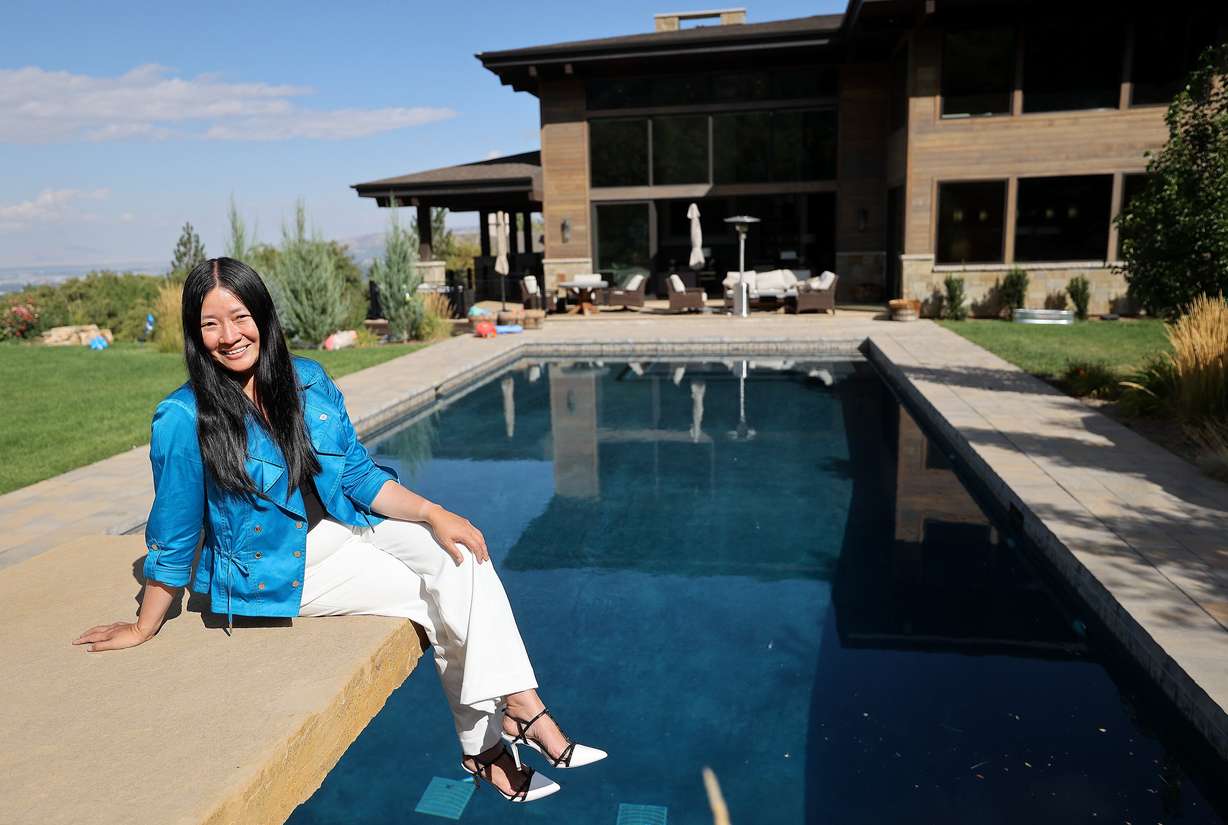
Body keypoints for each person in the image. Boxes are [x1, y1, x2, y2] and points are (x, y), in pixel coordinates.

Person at [72, 257, 604, 803]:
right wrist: (144, 624)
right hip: (282, 568)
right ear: (194, 331)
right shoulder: (183, 418)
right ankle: (503, 729)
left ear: (264, 315)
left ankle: (506, 722)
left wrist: (433, 512)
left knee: (462, 553)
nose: (229, 337)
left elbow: (355, 474)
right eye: (210, 324)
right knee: (442, 594)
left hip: (348, 524)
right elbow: (175, 530)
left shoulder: (307, 380)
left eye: (239, 317)